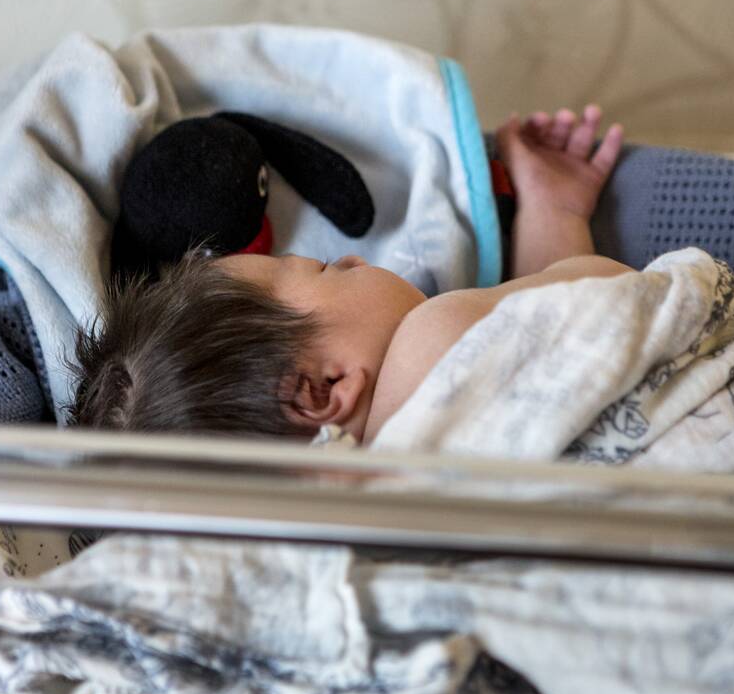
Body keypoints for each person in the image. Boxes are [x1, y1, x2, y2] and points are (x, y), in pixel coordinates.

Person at [69, 105, 633, 444]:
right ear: (324, 390)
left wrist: (554, 210)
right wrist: (560, 222)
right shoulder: (432, 338)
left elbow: (531, 325)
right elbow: (607, 294)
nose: (354, 259)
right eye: (327, 269)